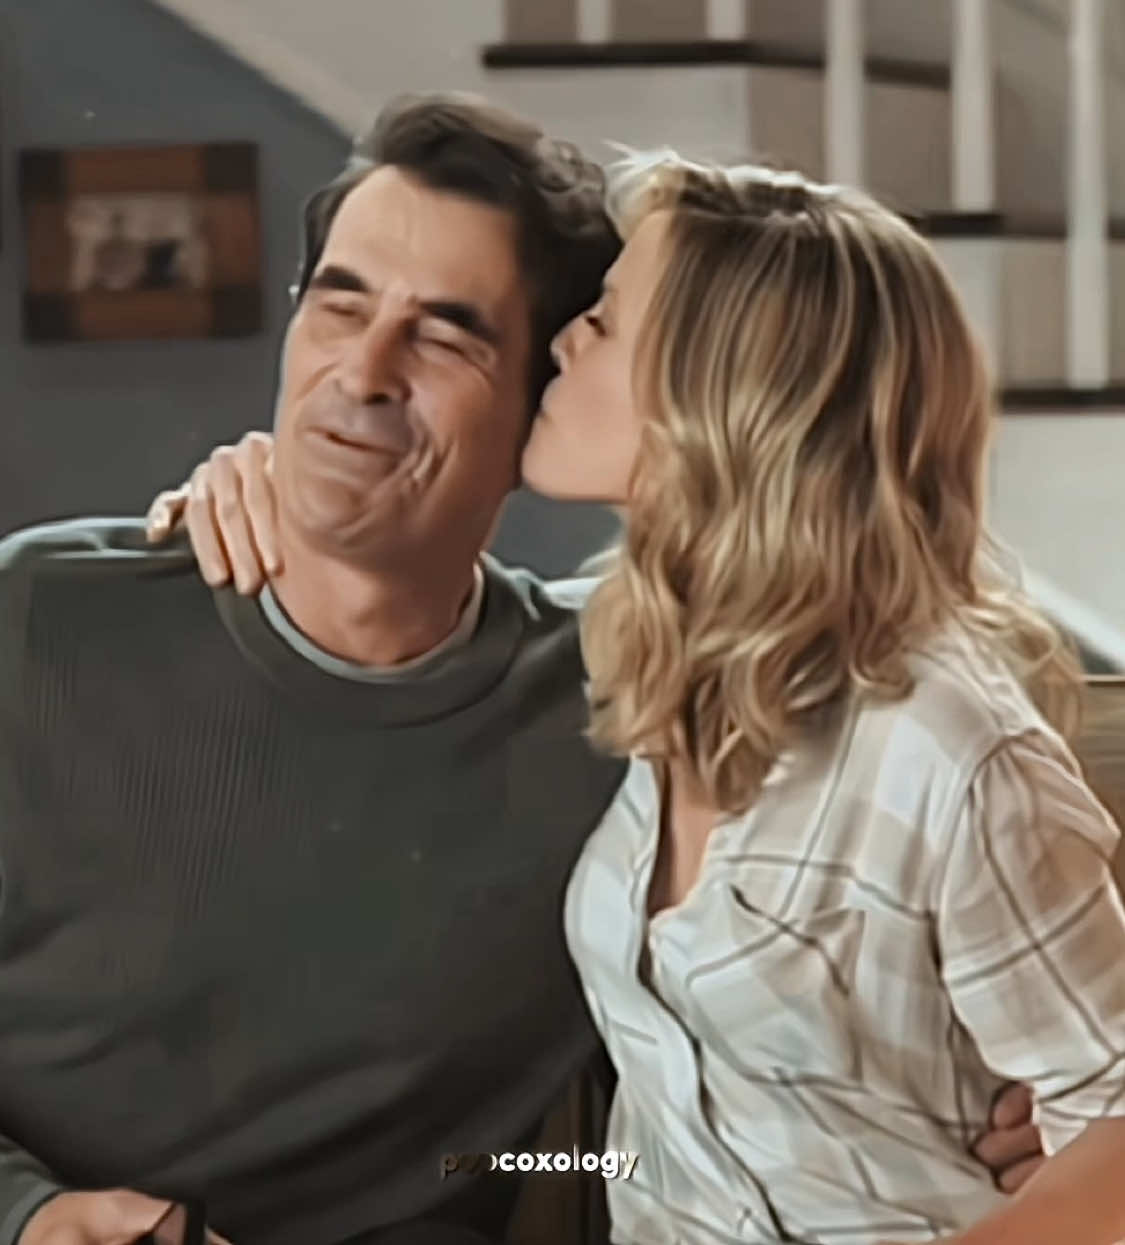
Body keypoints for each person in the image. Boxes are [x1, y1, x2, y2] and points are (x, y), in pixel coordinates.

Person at [152, 151, 1125, 1244]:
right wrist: (261, 502)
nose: (562, 341)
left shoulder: (941, 749)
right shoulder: (622, 652)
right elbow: (405, 618)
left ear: (723, 395)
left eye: (604, 320)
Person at [0, 95, 628, 1245]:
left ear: (542, 408)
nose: (364, 372)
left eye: (445, 335)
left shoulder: (621, 710)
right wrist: (28, 1217)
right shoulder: (35, 621)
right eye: (340, 305)